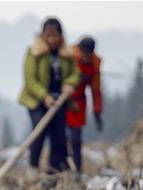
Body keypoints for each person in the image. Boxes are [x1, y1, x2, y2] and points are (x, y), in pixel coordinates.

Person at [18, 17, 80, 173]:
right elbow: (30, 79)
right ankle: (33, 166)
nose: (52, 40)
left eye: (55, 36)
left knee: (59, 135)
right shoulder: (34, 52)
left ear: (61, 36)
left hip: (59, 100)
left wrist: (69, 84)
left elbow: (75, 73)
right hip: (36, 101)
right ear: (42, 35)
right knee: (39, 131)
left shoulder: (67, 53)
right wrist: (44, 96)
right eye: (48, 36)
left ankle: (55, 168)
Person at [66, 36, 103, 172]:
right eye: (84, 53)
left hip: (79, 103)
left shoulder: (95, 64)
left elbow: (96, 89)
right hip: (64, 100)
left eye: (89, 54)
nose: (86, 57)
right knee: (62, 137)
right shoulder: (70, 57)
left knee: (76, 138)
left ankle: (78, 168)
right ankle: (62, 166)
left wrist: (97, 112)